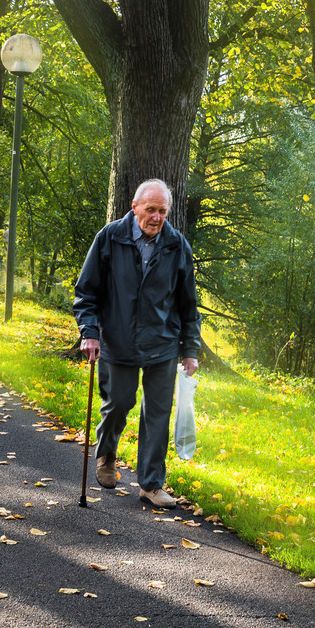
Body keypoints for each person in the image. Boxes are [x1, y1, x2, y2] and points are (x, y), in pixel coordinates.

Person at [73, 178, 202, 508]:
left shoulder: (177, 245)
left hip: (163, 342)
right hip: (118, 339)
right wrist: (89, 332)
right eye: (150, 210)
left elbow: (188, 303)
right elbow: (86, 292)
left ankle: (150, 483)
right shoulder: (110, 237)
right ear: (134, 207)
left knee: (157, 414)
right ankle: (106, 454)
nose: (157, 217)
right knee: (119, 402)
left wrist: (190, 349)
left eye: (162, 211)